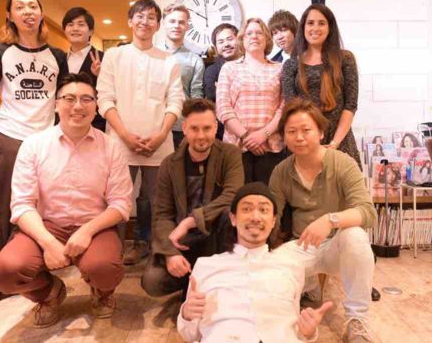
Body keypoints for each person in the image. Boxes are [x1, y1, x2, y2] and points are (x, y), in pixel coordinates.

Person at [0, 73, 132, 327]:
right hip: (47, 225)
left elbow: (120, 204)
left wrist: (87, 231)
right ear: (56, 104)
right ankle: (50, 293)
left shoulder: (111, 147)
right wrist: (47, 242)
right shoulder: (33, 146)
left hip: (94, 225)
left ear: (96, 106)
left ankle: (101, 293)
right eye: (69, 98)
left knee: (105, 268)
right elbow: (22, 204)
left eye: (86, 99)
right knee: (6, 272)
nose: (78, 106)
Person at [0, 0, 69, 309]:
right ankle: (5, 275)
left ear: (41, 13)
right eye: (20, 7)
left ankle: (35, 263)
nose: (27, 11)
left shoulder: (57, 56)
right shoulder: (0, 52)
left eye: (33, 6)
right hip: (10, 135)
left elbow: (65, 96)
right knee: (10, 207)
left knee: (45, 205)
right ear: (9, 15)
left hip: (46, 138)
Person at [269, 99, 379, 343]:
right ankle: (292, 315)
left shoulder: (342, 162)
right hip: (302, 246)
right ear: (284, 136)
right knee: (272, 263)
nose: (299, 137)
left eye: (306, 130)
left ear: (320, 132)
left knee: (356, 236)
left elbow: (368, 212)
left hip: (337, 246)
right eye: (291, 131)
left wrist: (331, 220)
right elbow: (272, 217)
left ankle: (357, 321)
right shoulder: (281, 171)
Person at [177, 182, 333, 342]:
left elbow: (294, 329)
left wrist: (308, 332)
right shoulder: (206, 266)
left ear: (273, 221)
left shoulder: (292, 266)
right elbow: (190, 335)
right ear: (233, 218)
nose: (255, 217)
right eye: (247, 209)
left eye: (264, 210)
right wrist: (186, 314)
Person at [97, 0, 185, 265]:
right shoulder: (114, 56)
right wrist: (124, 135)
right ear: (130, 20)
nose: (145, 22)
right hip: (120, 141)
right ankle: (111, 250)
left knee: (155, 200)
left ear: (158, 25)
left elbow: (175, 101)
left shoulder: (168, 60)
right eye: (140, 16)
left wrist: (161, 135)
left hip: (159, 143)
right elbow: (105, 99)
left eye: (151, 18)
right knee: (117, 198)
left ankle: (149, 246)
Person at [142, 98, 244, 298]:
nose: (201, 135)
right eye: (194, 129)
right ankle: (194, 282)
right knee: (153, 281)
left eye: (207, 128)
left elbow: (232, 196)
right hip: (184, 242)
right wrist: (170, 253)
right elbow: (162, 215)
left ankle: (213, 283)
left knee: (229, 213)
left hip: (217, 240)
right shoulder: (169, 165)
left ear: (216, 127)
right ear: (184, 129)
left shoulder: (230, 154)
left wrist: (191, 221)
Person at [281, 4, 362, 169]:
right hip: (304, 142)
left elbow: (350, 105)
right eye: (310, 23)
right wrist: (310, 143)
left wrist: (334, 144)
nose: (315, 28)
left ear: (330, 27)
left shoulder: (345, 59)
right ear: (303, 27)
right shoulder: (291, 64)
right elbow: (291, 108)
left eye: (321, 23)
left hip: (339, 141)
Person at [216, 18, 285, 184]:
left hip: (270, 147)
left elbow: (284, 108)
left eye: (259, 33)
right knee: (238, 196)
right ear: (242, 39)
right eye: (249, 33)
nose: (254, 36)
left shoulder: (279, 69)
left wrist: (263, 134)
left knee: (269, 197)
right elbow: (223, 108)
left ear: (267, 39)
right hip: (236, 147)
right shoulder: (229, 68)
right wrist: (247, 137)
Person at [162, 4, 205, 149]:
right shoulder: (151, 54)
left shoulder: (195, 60)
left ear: (187, 26)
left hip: (180, 128)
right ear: (163, 23)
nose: (177, 26)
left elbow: (196, 96)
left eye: (181, 22)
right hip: (152, 123)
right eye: (172, 21)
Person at [62, 6, 106, 132]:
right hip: (63, 125)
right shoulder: (58, 59)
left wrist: (100, 76)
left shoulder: (104, 59)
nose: (75, 28)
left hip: (94, 126)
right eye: (70, 24)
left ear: (91, 31)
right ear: (65, 30)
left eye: (81, 24)